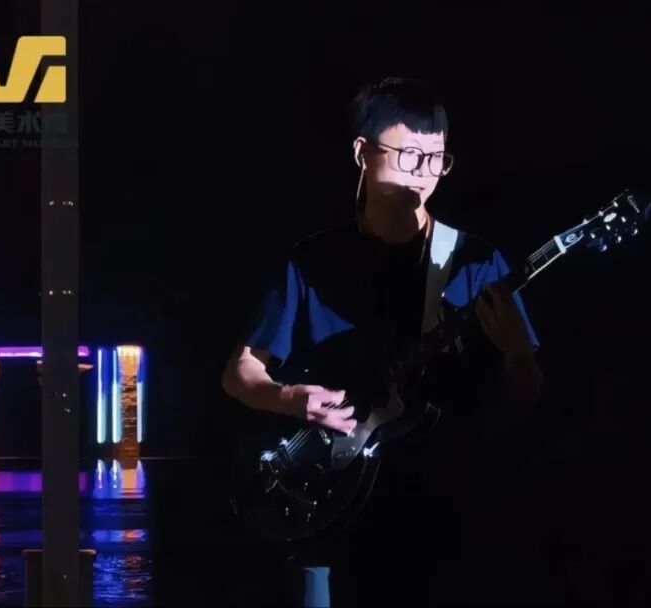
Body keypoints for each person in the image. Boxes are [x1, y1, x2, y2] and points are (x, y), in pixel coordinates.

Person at [221, 76, 543, 606]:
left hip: (449, 515)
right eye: (408, 155)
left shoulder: (477, 263)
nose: (423, 174)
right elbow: (241, 372)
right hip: (340, 508)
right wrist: (288, 398)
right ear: (361, 152)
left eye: (435, 159)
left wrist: (516, 354)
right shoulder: (312, 261)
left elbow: (528, 398)